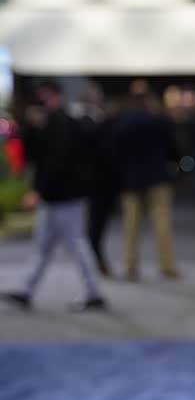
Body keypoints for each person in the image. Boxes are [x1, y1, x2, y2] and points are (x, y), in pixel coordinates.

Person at [3, 80, 106, 311]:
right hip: (56, 196)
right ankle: (26, 289)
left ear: (56, 95)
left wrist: (38, 190)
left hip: (65, 196)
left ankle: (94, 292)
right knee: (44, 246)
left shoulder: (62, 123)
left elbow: (57, 162)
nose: (42, 101)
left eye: (46, 96)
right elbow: (34, 154)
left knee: (76, 244)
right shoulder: (49, 122)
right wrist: (32, 127)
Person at [114, 85, 180, 281]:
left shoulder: (123, 124)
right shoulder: (159, 122)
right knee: (162, 224)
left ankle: (131, 266)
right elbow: (173, 148)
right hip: (157, 177)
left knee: (131, 226)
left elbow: (116, 152)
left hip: (131, 180)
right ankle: (166, 266)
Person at [79, 85, 120, 277]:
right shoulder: (90, 123)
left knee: (95, 224)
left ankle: (96, 260)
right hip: (97, 183)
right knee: (95, 225)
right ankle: (95, 261)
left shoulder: (93, 121)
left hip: (98, 182)